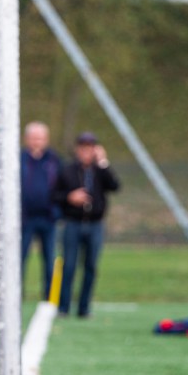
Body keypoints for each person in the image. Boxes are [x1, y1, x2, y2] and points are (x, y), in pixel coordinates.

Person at [53, 132, 120, 318]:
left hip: (95, 225)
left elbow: (115, 186)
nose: (86, 151)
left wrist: (103, 162)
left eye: (90, 147)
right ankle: (63, 307)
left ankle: (84, 308)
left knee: (90, 266)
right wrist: (69, 197)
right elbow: (54, 195)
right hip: (72, 223)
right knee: (69, 266)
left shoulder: (100, 170)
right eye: (83, 147)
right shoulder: (67, 170)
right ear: (77, 149)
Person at [20, 121, 61, 300]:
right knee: (19, 258)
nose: (37, 141)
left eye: (41, 138)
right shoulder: (19, 159)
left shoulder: (54, 160)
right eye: (34, 138)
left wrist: (57, 210)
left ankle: (50, 297)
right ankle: (16, 296)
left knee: (50, 259)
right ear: (27, 139)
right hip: (25, 219)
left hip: (48, 218)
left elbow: (62, 186)